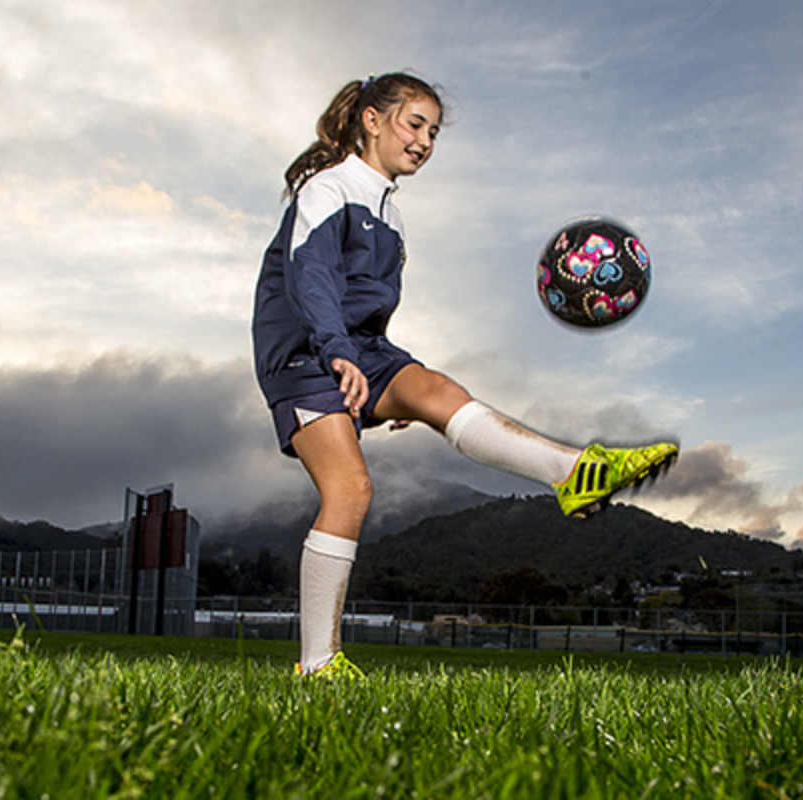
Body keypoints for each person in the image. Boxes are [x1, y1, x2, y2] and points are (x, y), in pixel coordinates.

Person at [251, 72, 678, 679]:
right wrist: (336, 353)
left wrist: (388, 386)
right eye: (414, 124)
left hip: (359, 347)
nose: (425, 140)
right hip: (302, 350)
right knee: (350, 490)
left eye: (434, 132)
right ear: (371, 120)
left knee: (436, 391)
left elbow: (367, 310)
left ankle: (575, 472)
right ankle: (318, 665)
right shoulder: (330, 187)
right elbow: (310, 275)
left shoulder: (392, 220)